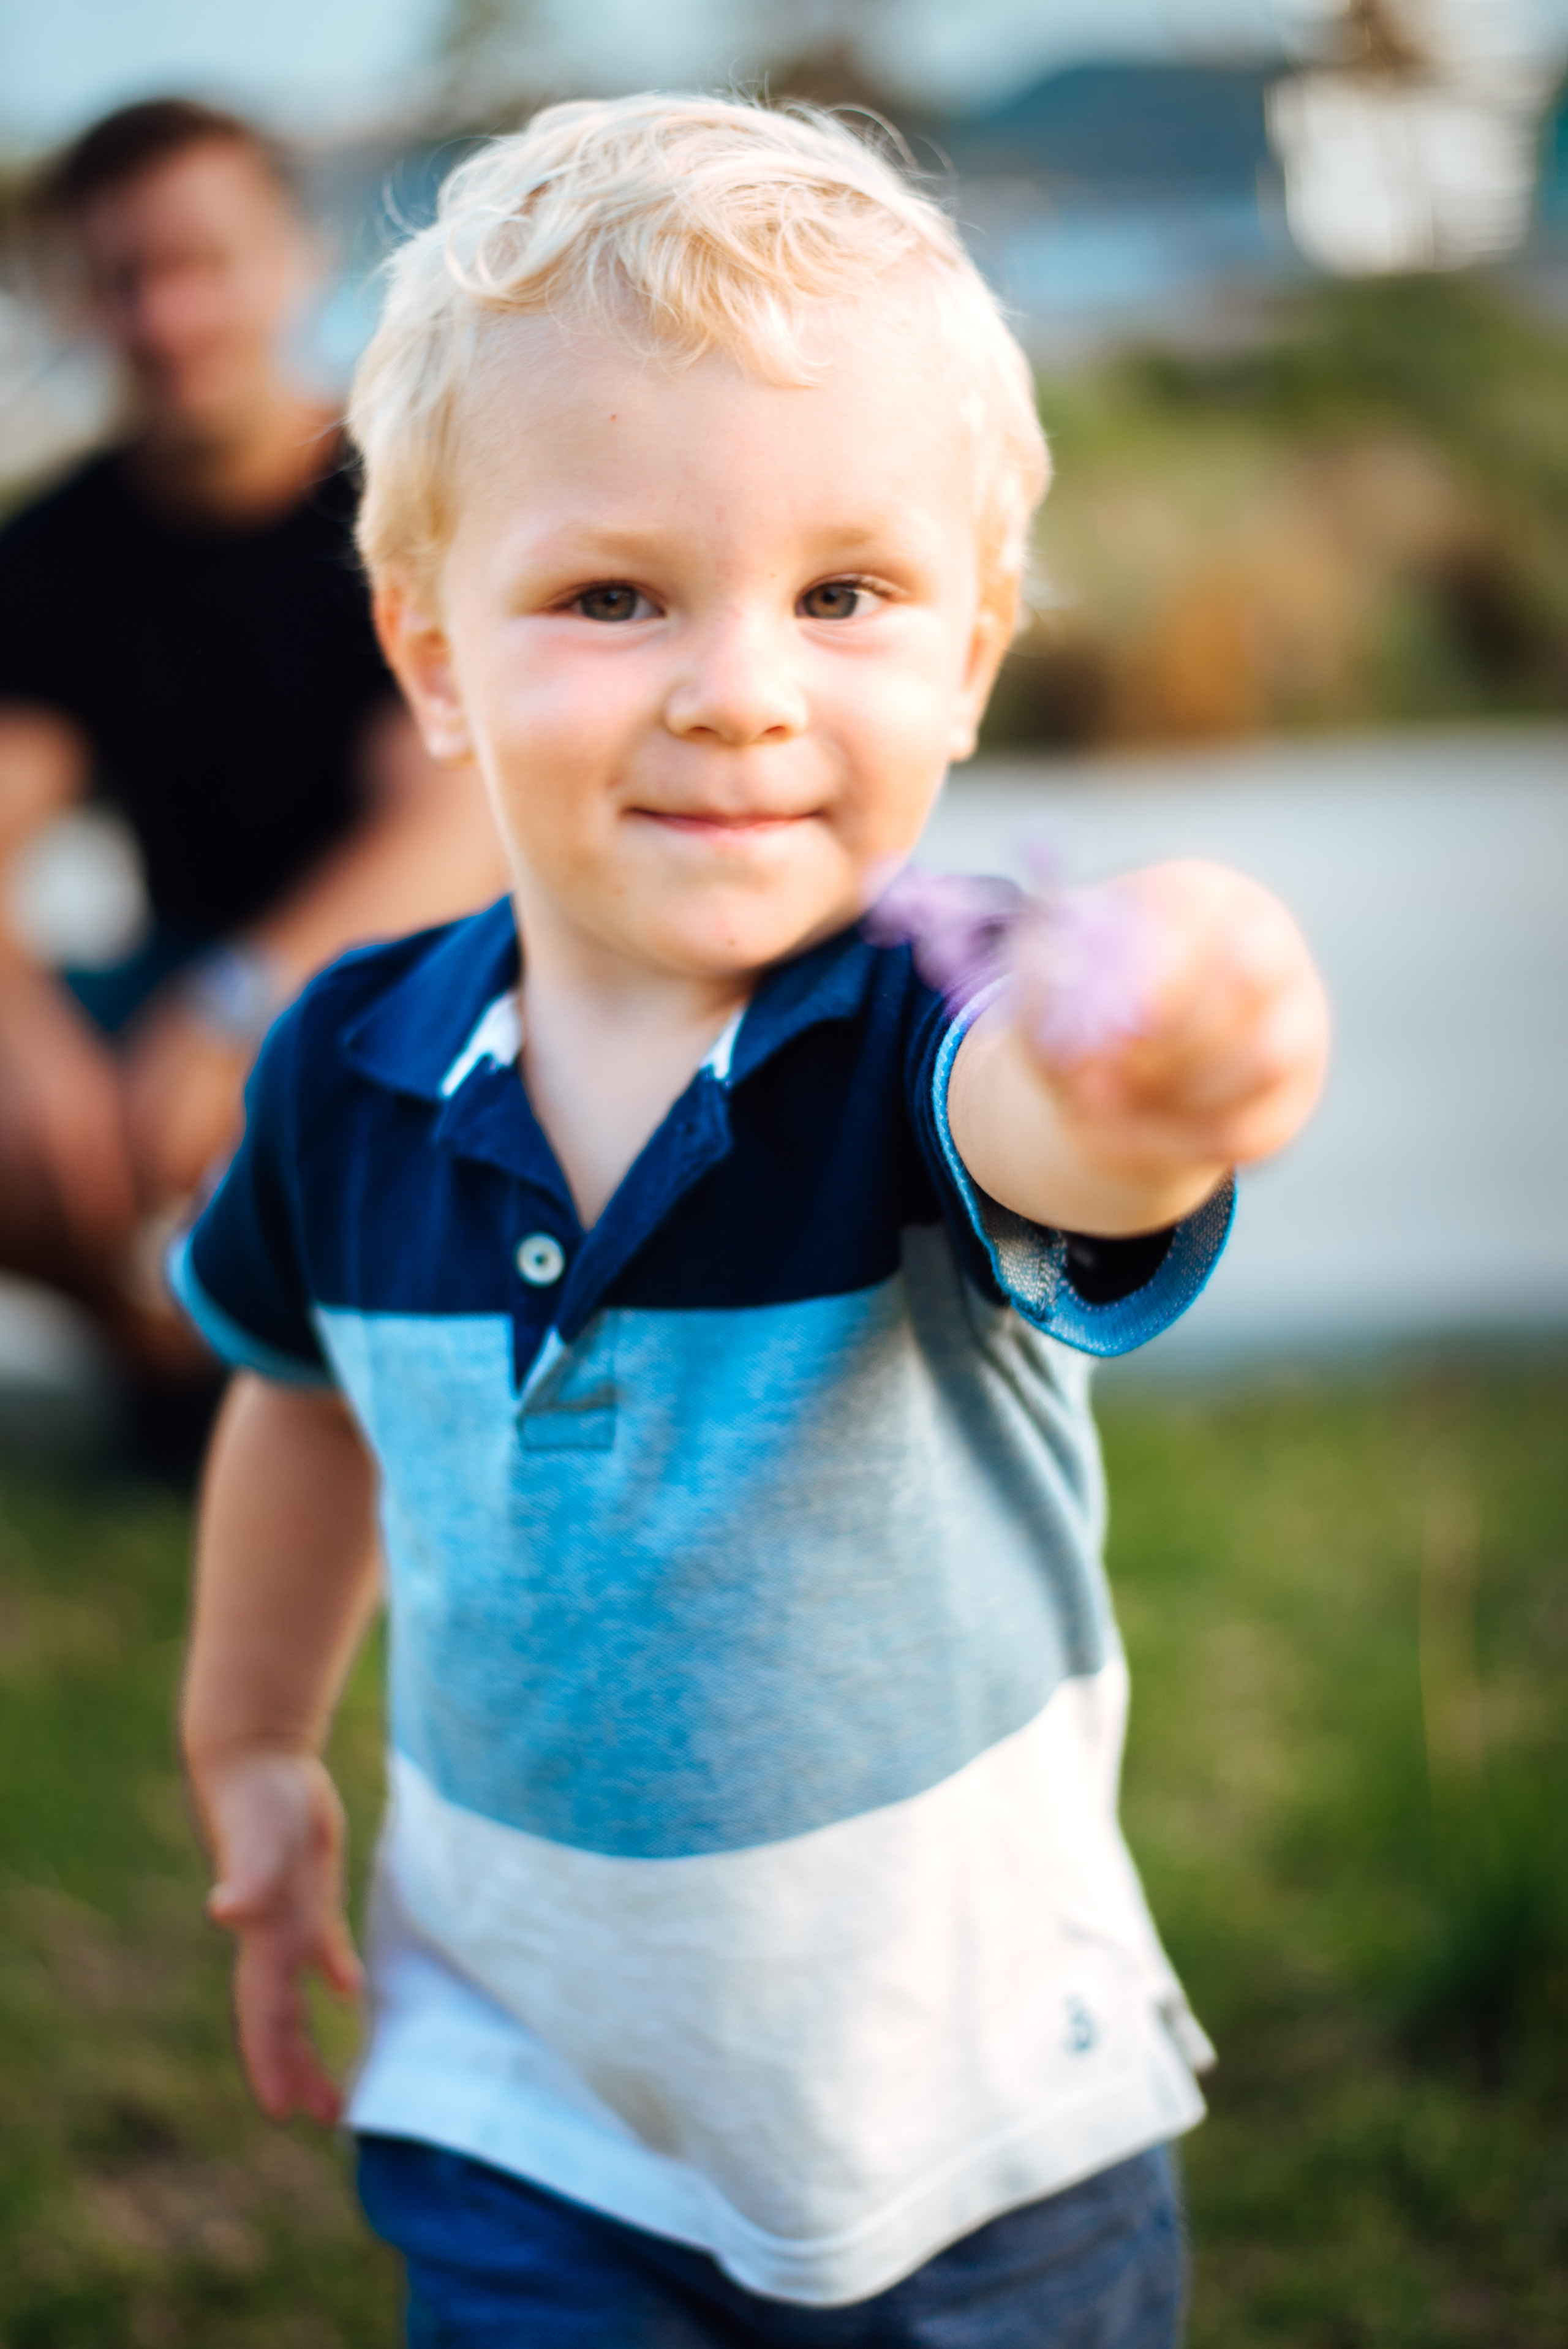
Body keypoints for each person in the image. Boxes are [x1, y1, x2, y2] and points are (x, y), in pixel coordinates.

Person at [174, 96, 1330, 2347]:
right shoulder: (345, 1063)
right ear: (432, 653)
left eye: (845, 595)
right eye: (614, 595)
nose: (739, 689)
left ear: (971, 654)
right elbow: (298, 1394)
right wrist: (249, 1736)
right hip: (529, 2095)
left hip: (973, 2128)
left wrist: (1183, 1032)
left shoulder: (937, 1026)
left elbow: (1072, 1136)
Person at [0, 100, 501, 1383]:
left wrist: (238, 1009)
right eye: (124, 279)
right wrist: (29, 1038)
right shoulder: (56, 550)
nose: (166, 316)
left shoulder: (405, 495)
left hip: (429, 982)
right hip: (176, 984)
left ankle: (272, 1357)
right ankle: (178, 1356)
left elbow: (449, 830)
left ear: (297, 261)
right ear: (76, 299)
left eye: (203, 264)